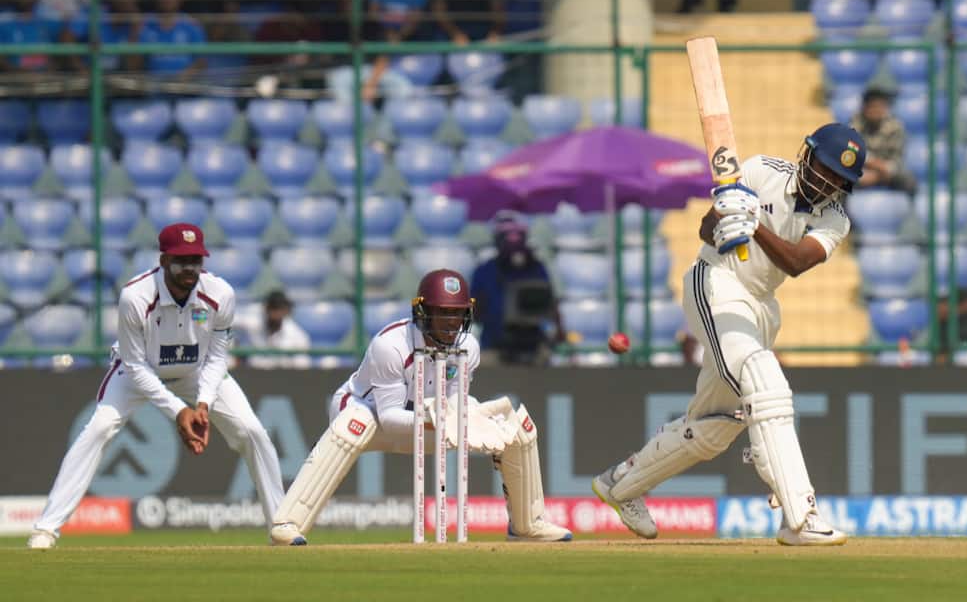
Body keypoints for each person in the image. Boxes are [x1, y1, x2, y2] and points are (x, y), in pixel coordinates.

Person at [592, 123, 867, 546]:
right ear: (806, 155)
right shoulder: (759, 171)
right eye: (824, 168)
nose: (826, 181)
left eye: (838, 179)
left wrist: (753, 224)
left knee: (715, 426)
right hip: (716, 281)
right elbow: (705, 231)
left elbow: (795, 262)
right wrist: (725, 214)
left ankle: (621, 484)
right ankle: (799, 517)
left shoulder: (835, 221)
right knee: (765, 382)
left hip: (761, 305)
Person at [27, 223, 286, 550]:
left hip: (196, 373)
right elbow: (134, 366)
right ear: (163, 261)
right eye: (181, 261)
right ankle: (45, 530)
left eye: (196, 260)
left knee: (252, 431)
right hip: (140, 372)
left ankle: (281, 525)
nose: (189, 269)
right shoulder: (135, 297)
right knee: (99, 428)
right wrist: (178, 410)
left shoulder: (221, 294)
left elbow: (218, 357)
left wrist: (203, 403)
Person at [269, 269, 572, 545]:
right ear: (422, 311)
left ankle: (527, 524)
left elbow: (452, 400)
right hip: (371, 413)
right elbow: (388, 418)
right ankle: (288, 523)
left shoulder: (468, 347)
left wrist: (462, 416)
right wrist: (441, 418)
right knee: (351, 427)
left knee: (513, 430)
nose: (452, 322)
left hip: (427, 422)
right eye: (442, 313)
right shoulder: (390, 345)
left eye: (457, 313)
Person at [470, 211, 563, 365]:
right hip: (495, 345)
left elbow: (550, 302)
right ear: (497, 240)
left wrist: (559, 330)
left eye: (518, 236)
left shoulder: (536, 268)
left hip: (533, 346)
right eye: (507, 236)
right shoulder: (485, 270)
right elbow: (474, 312)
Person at [849, 87, 916, 194]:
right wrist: (869, 166)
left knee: (909, 181)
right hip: (862, 172)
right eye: (872, 107)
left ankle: (906, 210)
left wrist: (878, 175)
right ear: (864, 108)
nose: (876, 111)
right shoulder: (856, 123)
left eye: (880, 107)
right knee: (843, 180)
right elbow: (853, 152)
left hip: (887, 173)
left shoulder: (895, 127)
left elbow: (896, 161)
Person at [134, 0, 207, 80]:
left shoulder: (192, 24)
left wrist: (185, 76)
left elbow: (201, 61)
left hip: (184, 88)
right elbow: (135, 63)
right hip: (153, 87)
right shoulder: (144, 24)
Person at [238, 290, 312, 370]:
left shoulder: (298, 336)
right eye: (273, 308)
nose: (276, 313)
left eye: (279, 309)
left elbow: (302, 366)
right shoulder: (252, 325)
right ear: (265, 309)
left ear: (286, 311)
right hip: (254, 376)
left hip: (285, 377)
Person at [432, 0, 505, 44]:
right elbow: (439, 12)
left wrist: (495, 32)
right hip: (450, 31)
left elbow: (498, 10)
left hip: (483, 29)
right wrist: (455, 34)